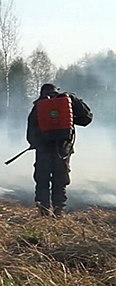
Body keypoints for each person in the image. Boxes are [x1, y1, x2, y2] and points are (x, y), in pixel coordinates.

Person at [26, 83, 92, 217]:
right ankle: (59, 211)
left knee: (42, 179)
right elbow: (87, 118)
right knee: (60, 179)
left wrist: (35, 143)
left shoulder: (39, 105)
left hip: (43, 148)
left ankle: (43, 212)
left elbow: (30, 130)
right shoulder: (69, 100)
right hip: (63, 148)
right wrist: (70, 119)